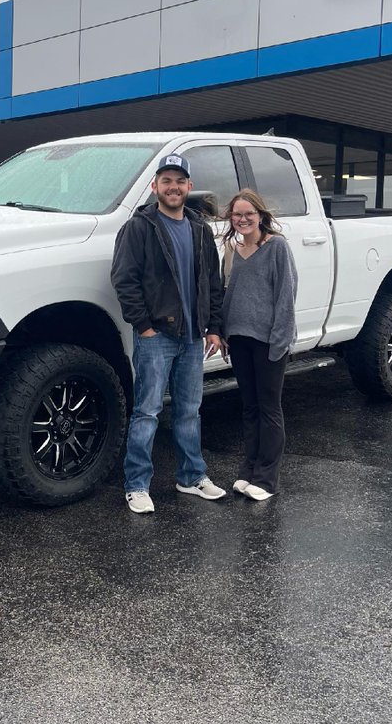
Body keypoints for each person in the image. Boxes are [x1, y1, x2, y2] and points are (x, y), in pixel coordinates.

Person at [111, 154, 227, 514]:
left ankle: (191, 477)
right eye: (166, 180)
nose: (173, 187)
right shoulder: (139, 227)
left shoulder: (198, 228)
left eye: (180, 181)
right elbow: (124, 279)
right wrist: (143, 326)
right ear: (155, 186)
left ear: (189, 186)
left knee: (189, 411)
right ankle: (137, 485)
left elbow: (212, 281)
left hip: (193, 337)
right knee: (146, 412)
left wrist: (213, 328)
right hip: (156, 336)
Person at [220, 188, 298, 502]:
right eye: (237, 214)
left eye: (248, 214)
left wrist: (280, 339)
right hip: (238, 339)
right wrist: (223, 332)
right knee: (249, 408)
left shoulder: (276, 246)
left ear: (261, 216)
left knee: (269, 409)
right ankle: (248, 470)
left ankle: (267, 478)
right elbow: (227, 293)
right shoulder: (230, 249)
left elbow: (286, 295)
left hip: (268, 341)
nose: (242, 219)